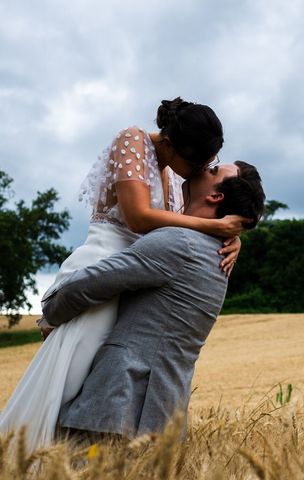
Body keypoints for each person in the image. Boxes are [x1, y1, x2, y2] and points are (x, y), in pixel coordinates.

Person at [0, 98, 247, 452]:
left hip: (135, 278)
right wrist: (214, 225)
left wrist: (230, 235)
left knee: (92, 381)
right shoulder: (133, 139)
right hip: (103, 267)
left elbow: (187, 224)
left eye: (208, 165)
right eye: (195, 163)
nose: (197, 172)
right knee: (67, 380)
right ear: (170, 144)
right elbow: (138, 217)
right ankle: (25, 457)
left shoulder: (178, 175)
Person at [43, 162, 265, 438]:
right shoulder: (216, 252)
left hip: (118, 403)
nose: (203, 167)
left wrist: (50, 313)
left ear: (216, 196)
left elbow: (91, 284)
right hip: (164, 413)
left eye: (214, 170)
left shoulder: (178, 242)